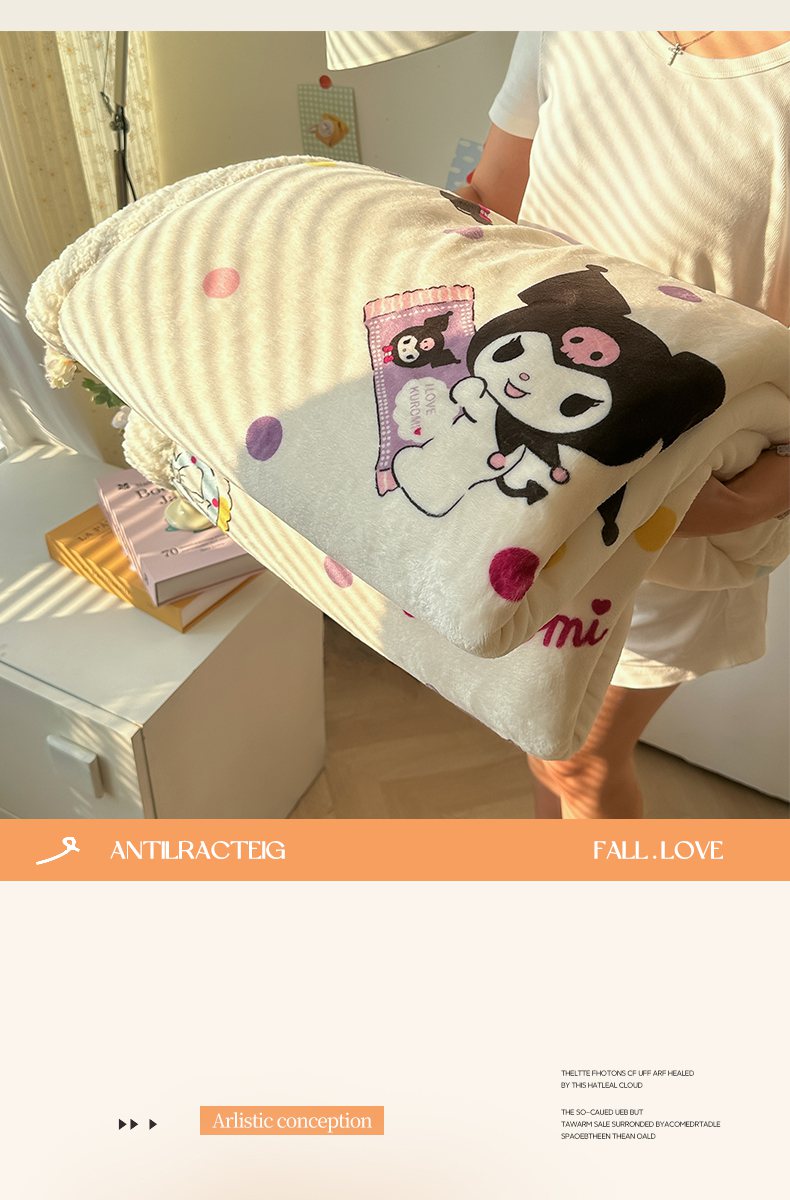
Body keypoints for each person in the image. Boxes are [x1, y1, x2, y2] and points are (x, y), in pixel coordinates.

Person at [456, 31, 790, 819]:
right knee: (545, 743)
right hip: (522, 469)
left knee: (575, 761)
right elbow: (489, 203)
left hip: (672, 505)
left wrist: (753, 501)